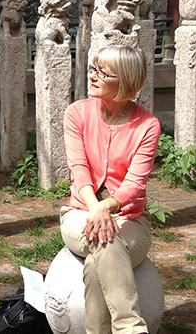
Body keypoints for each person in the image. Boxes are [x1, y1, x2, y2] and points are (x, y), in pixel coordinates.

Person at [60, 44, 160, 334]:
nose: (92, 76)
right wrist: (97, 208)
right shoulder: (76, 113)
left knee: (97, 265)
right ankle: (131, 329)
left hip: (131, 219)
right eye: (93, 68)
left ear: (126, 81)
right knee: (107, 239)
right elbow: (79, 170)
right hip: (79, 214)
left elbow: (135, 184)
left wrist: (108, 207)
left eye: (103, 73)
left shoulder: (147, 125)